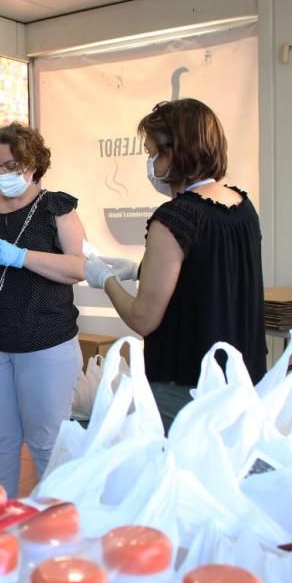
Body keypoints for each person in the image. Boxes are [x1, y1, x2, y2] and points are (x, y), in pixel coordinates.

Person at [84, 99, 266, 431]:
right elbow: (209, 277)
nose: (150, 163)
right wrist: (140, 269)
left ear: (176, 153)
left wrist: (106, 279)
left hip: (186, 388)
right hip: (242, 380)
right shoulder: (242, 207)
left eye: (153, 153)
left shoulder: (175, 218)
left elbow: (143, 319)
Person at [0, 122, 86, 498]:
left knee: (46, 443)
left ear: (33, 164)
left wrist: (23, 257)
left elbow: (79, 267)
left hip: (45, 340)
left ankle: (57, 529)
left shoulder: (56, 208)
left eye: (11, 165)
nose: (2, 173)